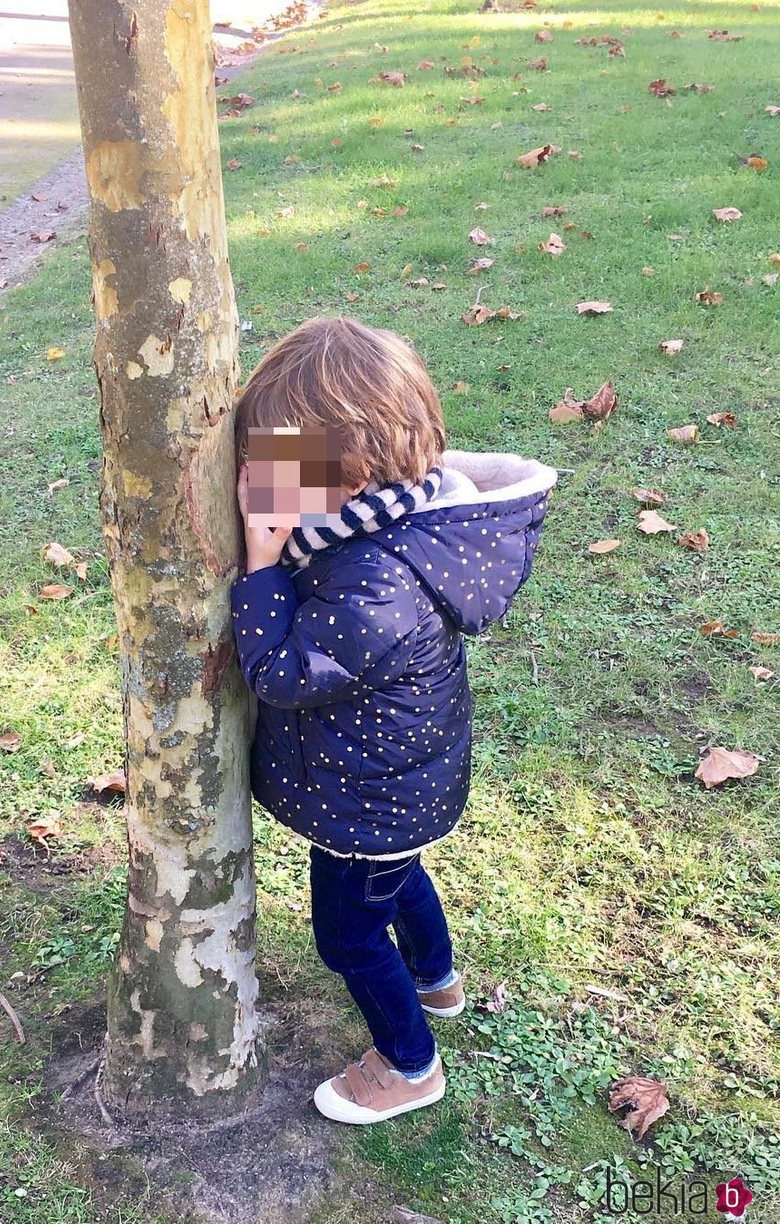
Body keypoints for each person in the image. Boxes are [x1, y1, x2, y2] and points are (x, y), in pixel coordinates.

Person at [230, 315, 558, 1124]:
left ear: (360, 471)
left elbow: (282, 674)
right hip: (402, 786)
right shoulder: (399, 522)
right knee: (400, 879)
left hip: (370, 800)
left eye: (287, 468)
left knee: (348, 935)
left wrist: (264, 561)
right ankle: (436, 979)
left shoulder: (375, 581)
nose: (268, 481)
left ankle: (410, 1065)